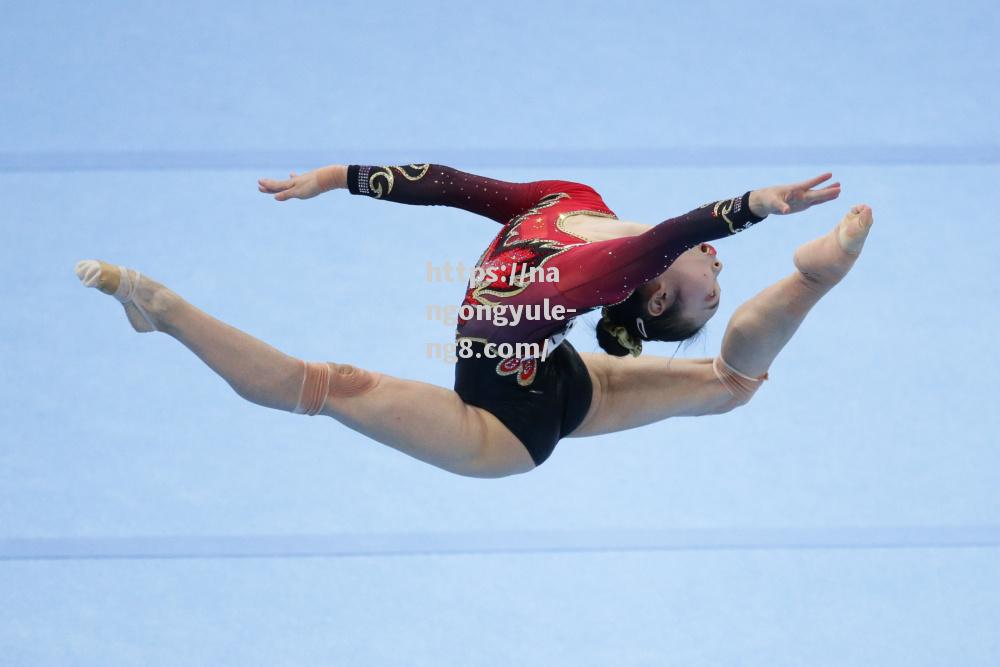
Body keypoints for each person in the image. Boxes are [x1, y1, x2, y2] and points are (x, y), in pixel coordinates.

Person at [75, 162, 871, 477]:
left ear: (653, 294)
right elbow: (457, 187)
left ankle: (165, 310)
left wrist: (755, 210)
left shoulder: (588, 276)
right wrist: (339, 177)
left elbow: (676, 235)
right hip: (563, 378)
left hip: (501, 433)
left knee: (325, 387)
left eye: (712, 289)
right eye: (717, 281)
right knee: (730, 385)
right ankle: (816, 277)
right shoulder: (576, 204)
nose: (718, 270)